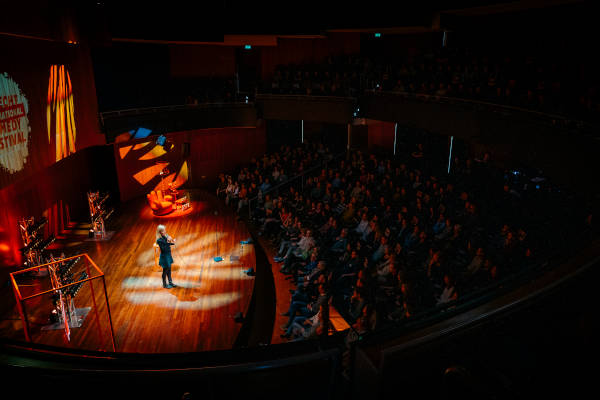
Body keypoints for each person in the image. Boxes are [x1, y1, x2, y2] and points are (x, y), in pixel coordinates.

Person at [156, 224, 177, 289]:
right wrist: (168, 241)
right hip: (164, 257)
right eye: (163, 231)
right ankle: (164, 284)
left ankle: (170, 282)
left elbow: (168, 244)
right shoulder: (159, 240)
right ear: (159, 232)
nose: (165, 232)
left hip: (168, 255)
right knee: (165, 271)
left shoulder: (165, 236)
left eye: (164, 230)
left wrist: (172, 241)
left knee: (169, 270)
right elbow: (163, 249)